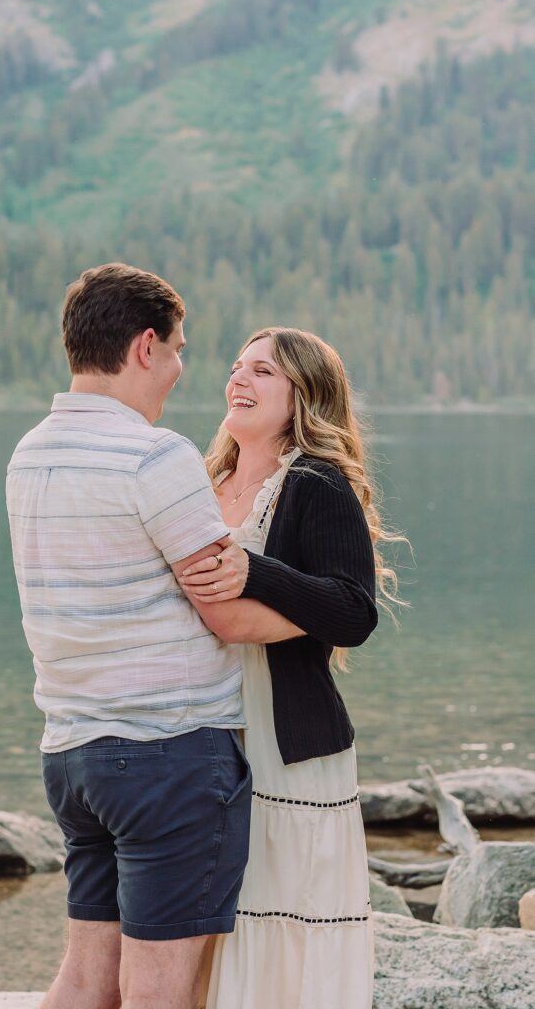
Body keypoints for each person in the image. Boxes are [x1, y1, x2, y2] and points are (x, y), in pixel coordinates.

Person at [6, 263, 260, 1009]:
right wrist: (340, 612)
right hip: (167, 758)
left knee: (86, 980)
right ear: (145, 347)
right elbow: (222, 604)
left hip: (73, 756)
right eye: (179, 350)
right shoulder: (156, 455)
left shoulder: (29, 453)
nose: (181, 369)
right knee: (158, 996)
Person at [177, 327, 399, 1009]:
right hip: (198, 733)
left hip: (287, 744)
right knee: (204, 925)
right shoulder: (200, 484)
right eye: (237, 366)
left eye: (262, 371)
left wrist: (257, 572)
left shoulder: (315, 483)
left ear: (303, 394)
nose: (238, 380)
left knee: (276, 916)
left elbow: (353, 611)